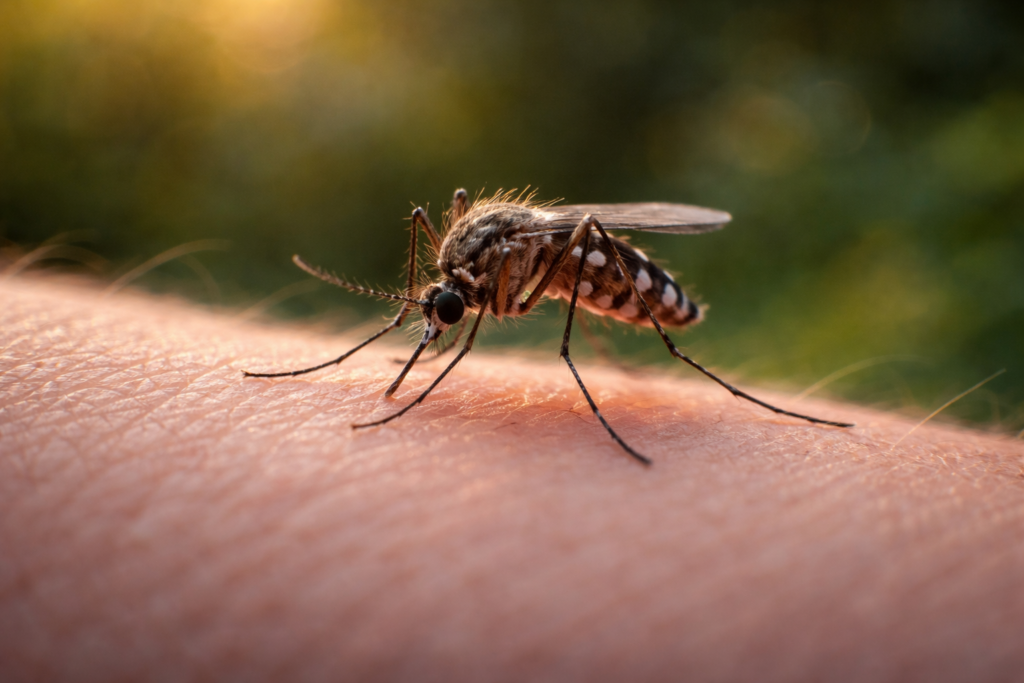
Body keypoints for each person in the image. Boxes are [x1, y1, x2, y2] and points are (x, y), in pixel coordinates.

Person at [2, 275, 1023, 681]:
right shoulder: (457, 264)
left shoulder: (504, 265)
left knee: (570, 270)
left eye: (440, 308)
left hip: (611, 274)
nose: (444, 313)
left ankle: (631, 360)